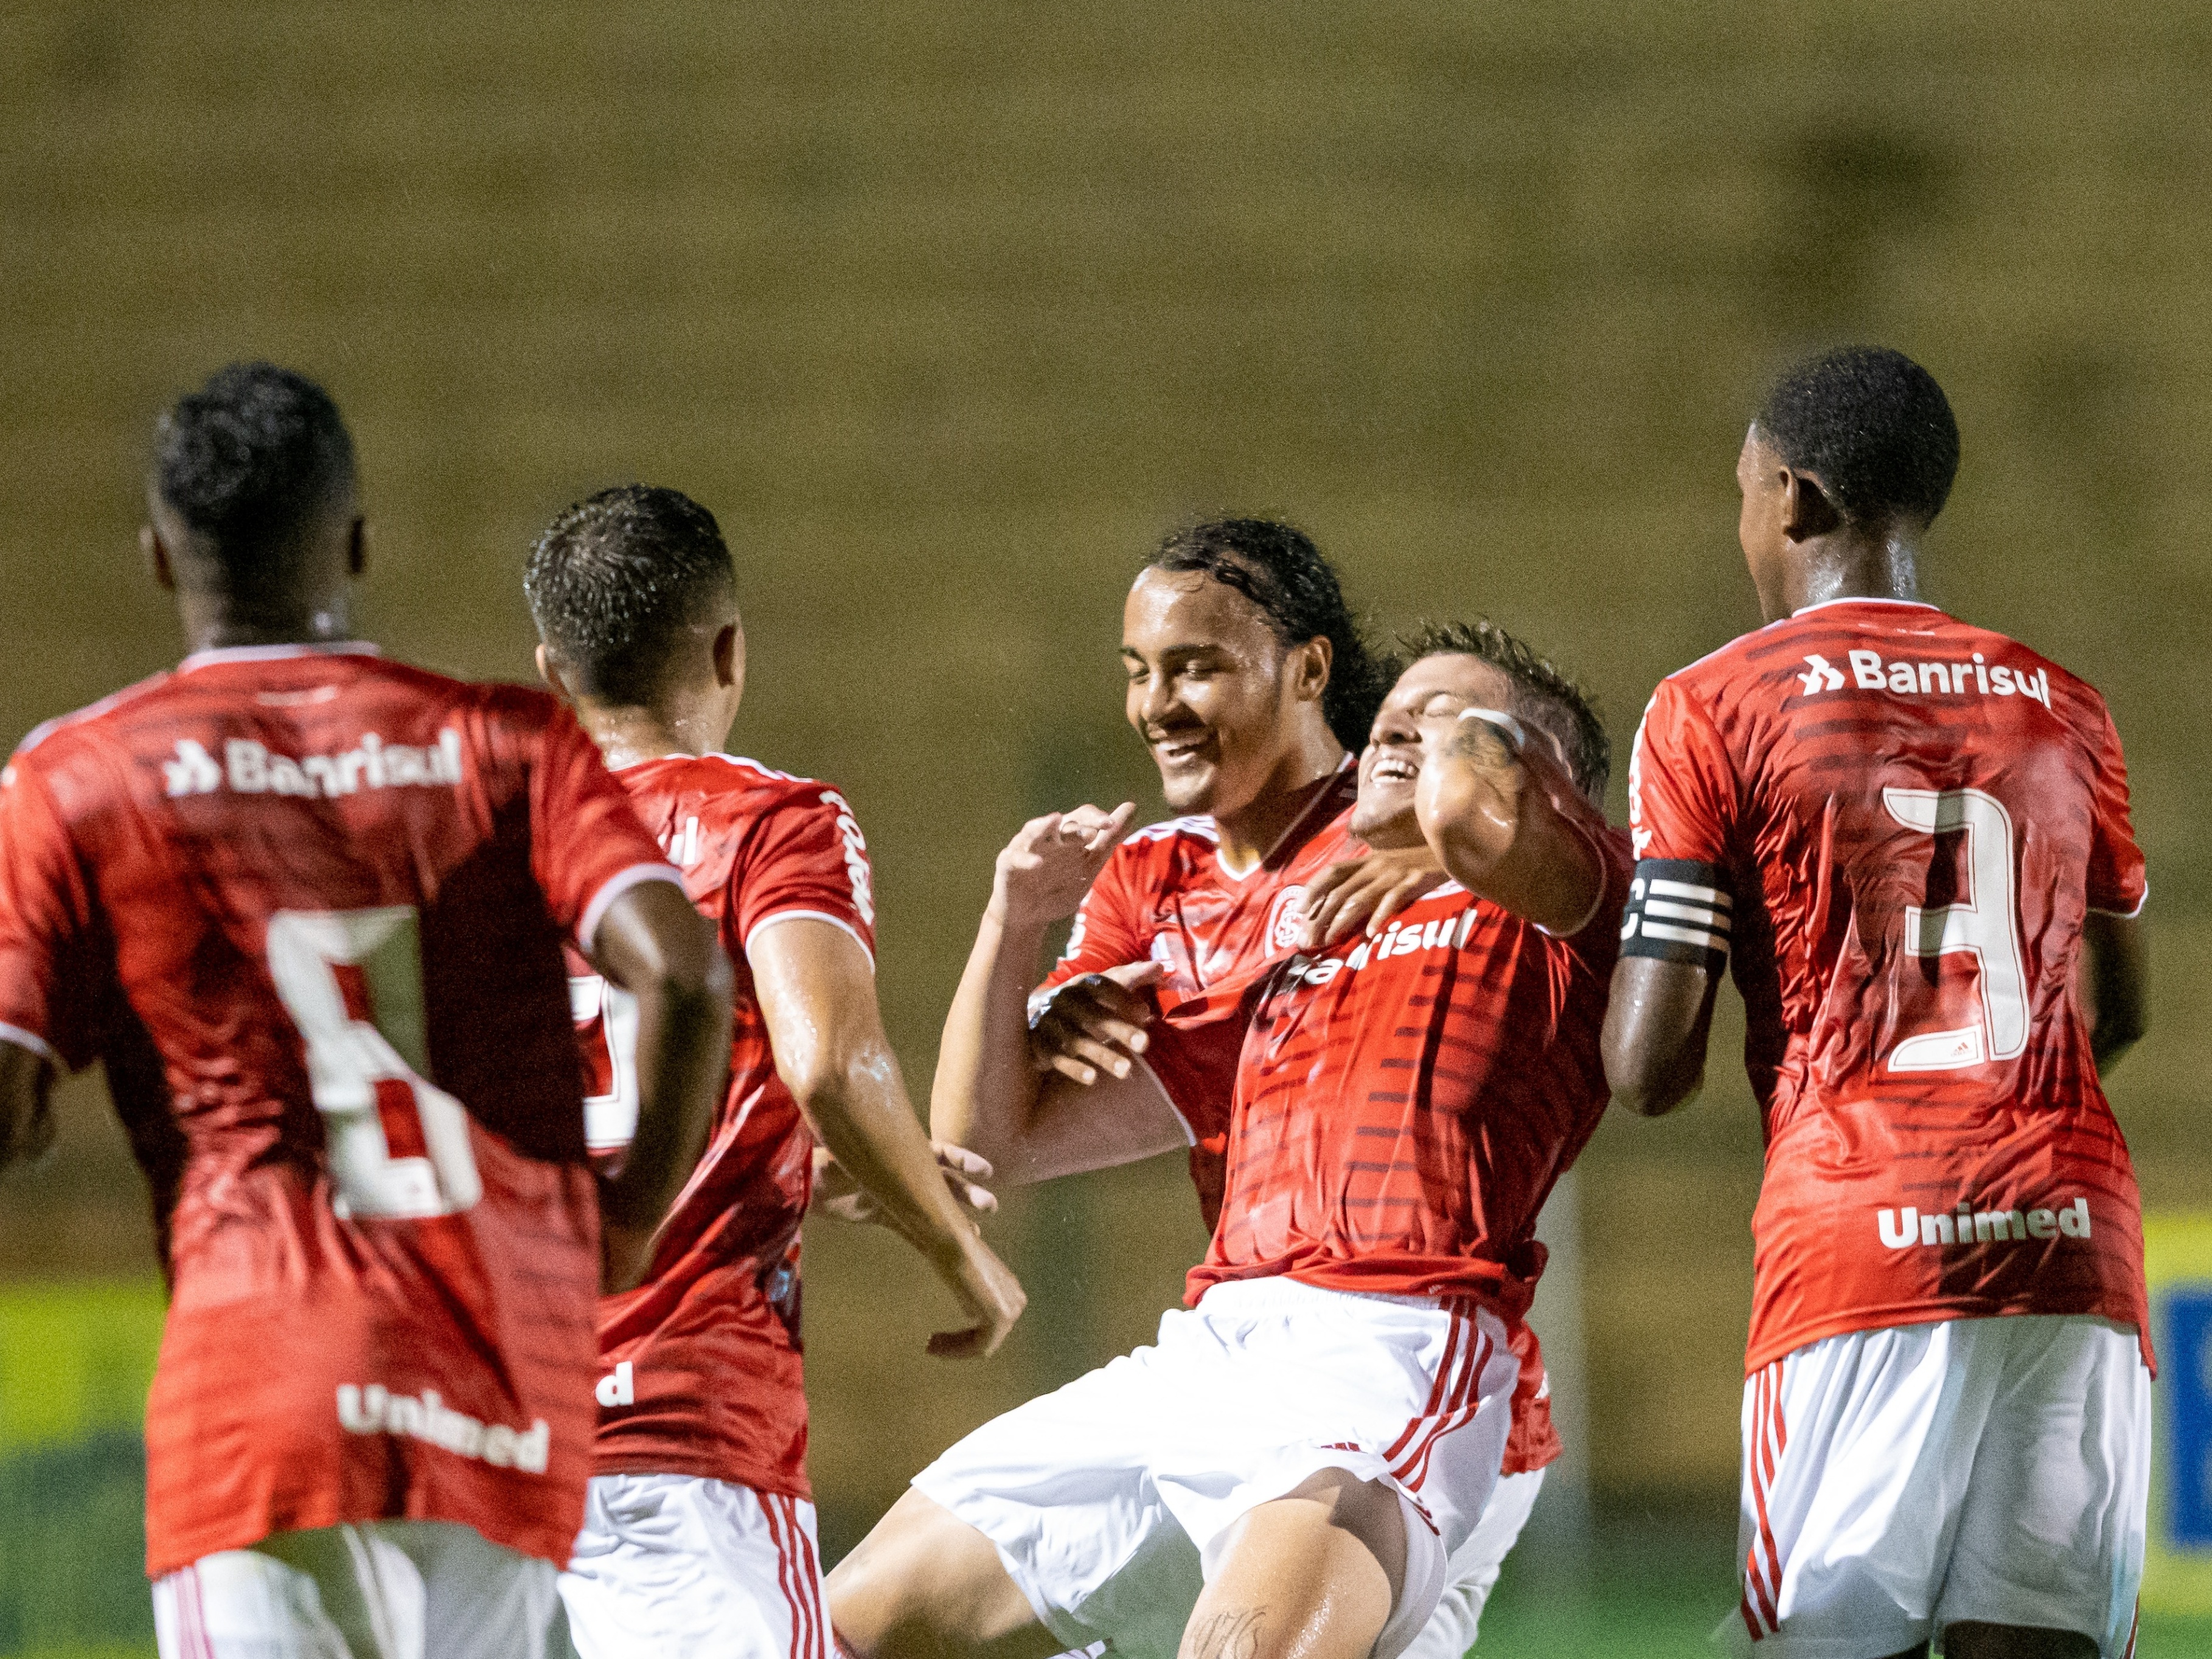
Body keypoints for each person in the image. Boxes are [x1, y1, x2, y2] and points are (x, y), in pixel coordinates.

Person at [0, 364, 733, 1659]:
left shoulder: (82, 775)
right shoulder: (506, 742)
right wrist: (617, 1226)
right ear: (354, 542)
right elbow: (683, 975)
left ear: (162, 557)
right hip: (505, 1357)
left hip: (258, 1373)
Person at [829, 623, 1627, 1659]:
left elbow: (1498, 816)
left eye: (1446, 724)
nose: (1394, 738)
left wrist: (1445, 840)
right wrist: (1027, 942)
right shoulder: (1286, 931)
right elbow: (992, 1138)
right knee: (836, 1628)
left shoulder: (1565, 911)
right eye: (1389, 721)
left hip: (1392, 1353)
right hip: (1214, 1348)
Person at [1602, 346, 2151, 1659]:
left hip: (1861, 1239)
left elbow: (1648, 1062)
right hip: (2072, 1235)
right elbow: (2113, 1007)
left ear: (1789, 498)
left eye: (1744, 491)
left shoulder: (1712, 706)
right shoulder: (2064, 701)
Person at [523, 485, 1028, 1659]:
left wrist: (804, 1169)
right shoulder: (770, 822)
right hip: (672, 1431)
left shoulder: (488, 849)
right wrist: (966, 1261)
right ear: (729, 650)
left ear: (553, 671)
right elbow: (833, 1063)